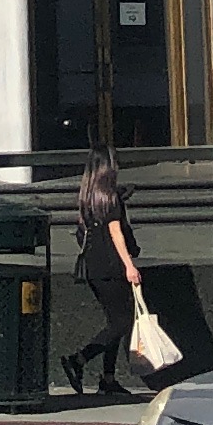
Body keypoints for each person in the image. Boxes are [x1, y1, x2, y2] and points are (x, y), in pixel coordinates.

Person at [61, 149, 151, 398]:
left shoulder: (88, 196)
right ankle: (79, 359)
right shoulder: (109, 197)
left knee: (114, 322)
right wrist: (129, 265)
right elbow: (116, 233)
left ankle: (108, 379)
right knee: (122, 322)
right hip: (111, 265)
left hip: (93, 266)